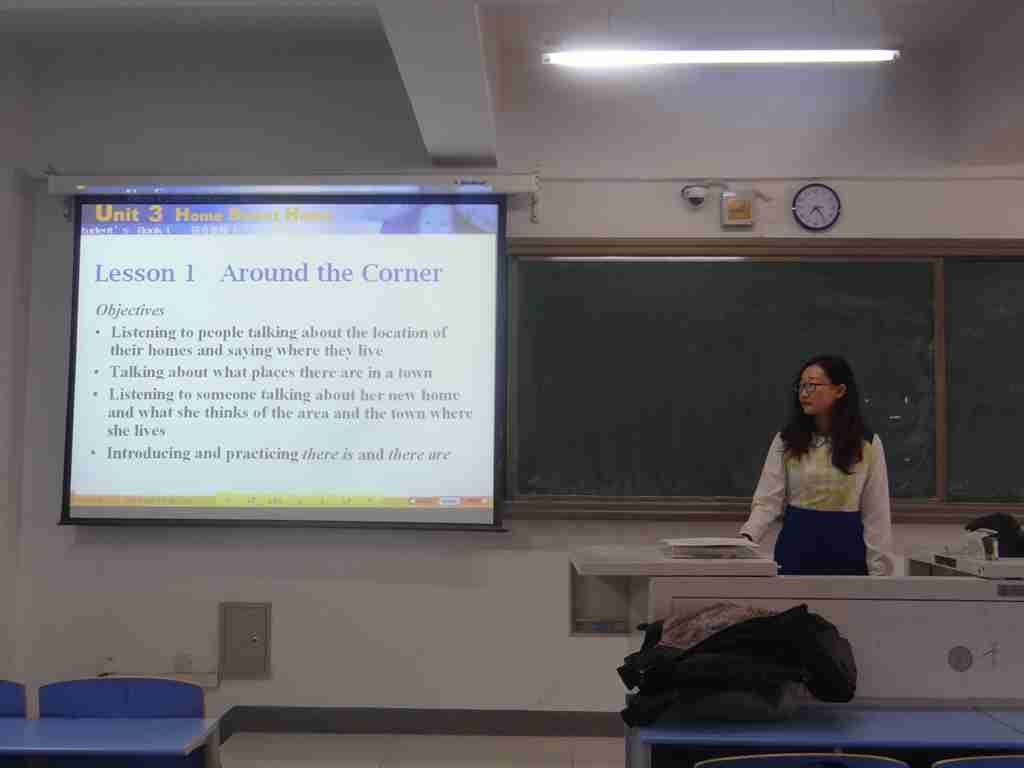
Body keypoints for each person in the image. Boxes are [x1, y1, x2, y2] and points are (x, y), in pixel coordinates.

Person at [739, 355, 893, 576]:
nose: (804, 393)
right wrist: (747, 537)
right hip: (796, 550)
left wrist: (880, 574)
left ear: (840, 390)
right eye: (801, 386)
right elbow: (767, 501)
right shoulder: (786, 440)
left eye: (812, 385)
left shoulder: (867, 443)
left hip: (846, 553)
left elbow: (876, 515)